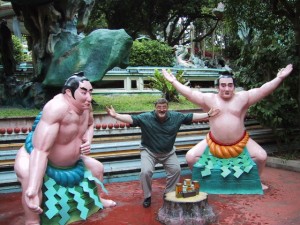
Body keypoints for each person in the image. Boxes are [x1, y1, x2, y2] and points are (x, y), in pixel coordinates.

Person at [162, 64, 293, 190]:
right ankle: (201, 181)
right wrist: (174, 81)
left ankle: (255, 181)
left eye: (230, 85)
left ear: (234, 87)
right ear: (218, 87)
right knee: (191, 157)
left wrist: (279, 78)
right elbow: (189, 93)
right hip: (213, 142)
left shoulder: (243, 98)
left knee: (261, 157)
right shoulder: (209, 99)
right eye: (223, 85)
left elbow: (263, 90)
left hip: (241, 141)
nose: (227, 88)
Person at [14, 72, 116, 225]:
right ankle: (32, 220)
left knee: (97, 168)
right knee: (30, 179)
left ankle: (97, 200)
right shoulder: (56, 108)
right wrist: (34, 187)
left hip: (72, 163)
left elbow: (90, 124)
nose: (89, 98)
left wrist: (88, 139)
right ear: (69, 92)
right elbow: (40, 150)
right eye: (83, 92)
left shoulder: (86, 106)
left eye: (90, 92)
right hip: (35, 155)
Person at [106, 98, 220, 207]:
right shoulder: (146, 117)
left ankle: (168, 194)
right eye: (159, 107)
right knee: (145, 172)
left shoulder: (176, 116)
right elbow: (131, 118)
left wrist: (208, 114)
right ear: (155, 108)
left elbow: (190, 117)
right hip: (149, 151)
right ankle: (147, 196)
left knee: (176, 170)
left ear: (167, 108)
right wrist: (116, 115)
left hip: (168, 152)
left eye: (164, 107)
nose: (161, 109)